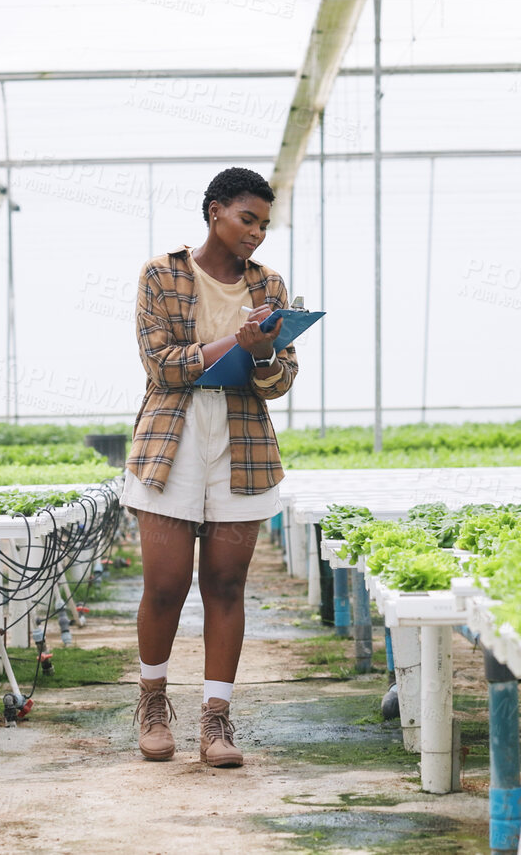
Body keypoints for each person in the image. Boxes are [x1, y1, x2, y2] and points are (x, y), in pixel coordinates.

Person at [122, 166, 299, 767]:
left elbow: (279, 382)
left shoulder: (269, 284)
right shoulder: (161, 274)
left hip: (242, 441)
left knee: (226, 585)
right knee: (165, 586)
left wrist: (267, 353)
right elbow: (162, 366)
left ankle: (216, 722)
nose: (257, 233)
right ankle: (152, 705)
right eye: (247, 219)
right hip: (171, 440)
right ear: (215, 211)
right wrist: (237, 344)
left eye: (264, 225)